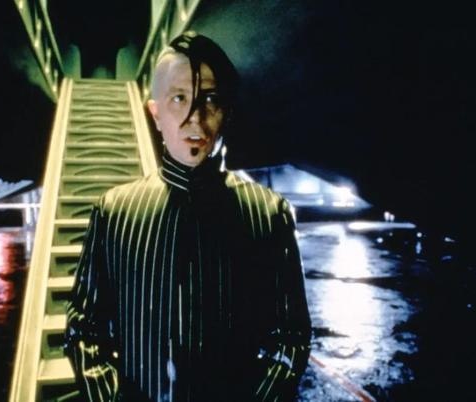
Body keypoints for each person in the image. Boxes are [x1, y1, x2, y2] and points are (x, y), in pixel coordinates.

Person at [64, 31, 311, 402]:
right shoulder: (113, 212)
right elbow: (83, 327)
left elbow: (291, 337)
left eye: (210, 100)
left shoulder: (268, 214)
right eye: (179, 98)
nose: (195, 118)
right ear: (156, 113)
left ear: (226, 112)